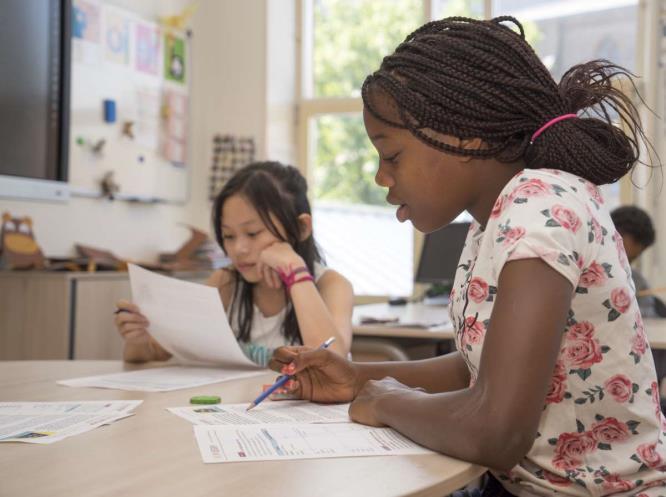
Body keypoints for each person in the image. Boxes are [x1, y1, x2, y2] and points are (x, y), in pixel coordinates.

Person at [270, 16, 666, 496]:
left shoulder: (538, 205)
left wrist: (387, 401)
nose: (380, 177)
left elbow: (496, 430)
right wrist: (358, 377)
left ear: (465, 138)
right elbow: (479, 370)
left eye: (391, 156)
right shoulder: (496, 219)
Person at [115, 161, 353, 367]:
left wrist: (295, 273)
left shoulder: (331, 285)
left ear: (301, 228)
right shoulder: (226, 282)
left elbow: (332, 362)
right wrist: (137, 341)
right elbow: (154, 353)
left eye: (252, 233)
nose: (238, 249)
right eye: (228, 236)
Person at [611, 205, 666, 318]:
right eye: (622, 255)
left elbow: (648, 317)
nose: (625, 265)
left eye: (630, 260)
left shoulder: (637, 282)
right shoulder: (586, 272)